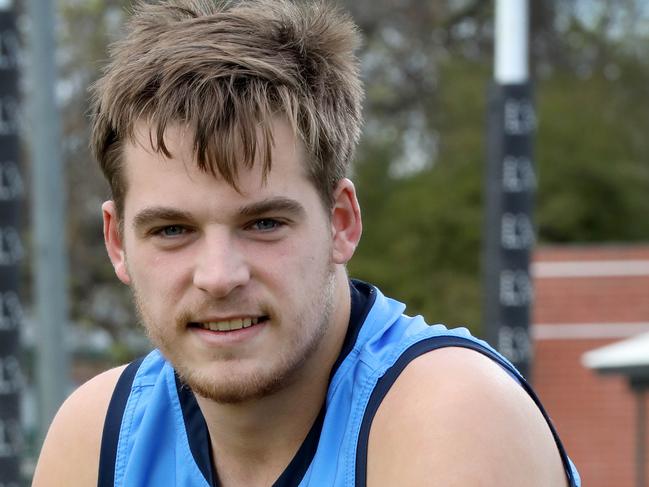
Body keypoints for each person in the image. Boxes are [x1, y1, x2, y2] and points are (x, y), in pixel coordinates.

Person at [32, 1, 580, 486]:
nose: (219, 276)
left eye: (264, 223)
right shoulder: (100, 438)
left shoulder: (454, 414)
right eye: (172, 231)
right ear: (117, 242)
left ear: (341, 222)